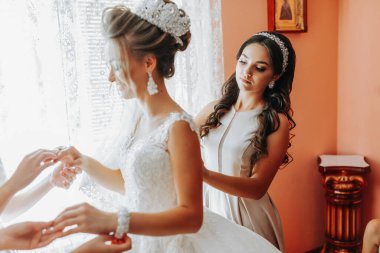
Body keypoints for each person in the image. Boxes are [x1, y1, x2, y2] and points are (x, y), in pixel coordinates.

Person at [47, 1, 281, 252]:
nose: (110, 77)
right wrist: (82, 161)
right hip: (143, 238)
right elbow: (130, 184)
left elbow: (191, 217)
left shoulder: (179, 127)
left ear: (148, 63)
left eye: (116, 65)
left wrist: (115, 220)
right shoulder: (138, 117)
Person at [195, 31, 296, 251]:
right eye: (243, 61)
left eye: (259, 68)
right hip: (209, 209)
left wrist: (205, 175)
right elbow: (178, 139)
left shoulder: (275, 122)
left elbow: (257, 188)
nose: (247, 72)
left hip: (248, 217)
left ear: (275, 76)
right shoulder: (214, 108)